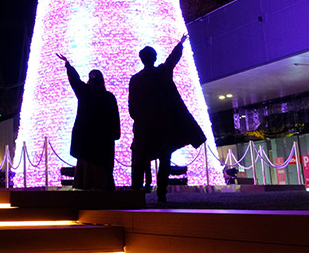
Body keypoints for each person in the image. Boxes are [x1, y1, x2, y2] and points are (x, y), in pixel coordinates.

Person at [128, 34, 206, 203]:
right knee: (164, 159)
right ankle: (161, 193)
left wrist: (139, 119)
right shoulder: (162, 73)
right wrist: (180, 43)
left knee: (140, 159)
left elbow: (132, 107)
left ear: (141, 59)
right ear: (154, 58)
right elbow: (172, 60)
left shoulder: (135, 80)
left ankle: (136, 192)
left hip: (144, 127)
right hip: (163, 125)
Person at [57, 52, 120, 190]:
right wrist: (115, 134)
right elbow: (115, 118)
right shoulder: (108, 97)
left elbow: (75, 81)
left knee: (87, 168)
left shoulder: (85, 92)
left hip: (86, 141)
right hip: (102, 142)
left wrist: (68, 65)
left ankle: (86, 188)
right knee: (101, 170)